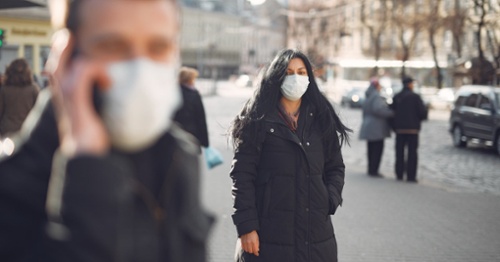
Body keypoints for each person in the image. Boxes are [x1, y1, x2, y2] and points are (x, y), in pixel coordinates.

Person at [0, 0, 212, 261]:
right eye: (113, 46)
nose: (139, 69)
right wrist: (87, 168)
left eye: (158, 47)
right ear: (67, 57)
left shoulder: (180, 156)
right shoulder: (10, 187)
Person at [229, 49, 351, 262]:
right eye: (289, 72)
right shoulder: (256, 120)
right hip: (269, 235)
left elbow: (335, 167)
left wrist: (329, 199)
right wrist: (246, 226)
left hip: (317, 237)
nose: (296, 78)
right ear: (276, 77)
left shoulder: (321, 118)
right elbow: (242, 176)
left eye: (302, 72)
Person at [390, 76, 428, 182]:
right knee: (412, 154)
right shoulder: (416, 97)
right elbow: (422, 113)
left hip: (400, 130)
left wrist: (395, 126)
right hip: (413, 130)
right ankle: (411, 176)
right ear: (410, 84)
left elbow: (391, 113)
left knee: (399, 153)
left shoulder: (397, 97)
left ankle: (399, 174)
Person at [359, 77, 393, 177]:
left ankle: (371, 169)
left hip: (368, 125)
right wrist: (391, 113)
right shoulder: (376, 96)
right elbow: (378, 110)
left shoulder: (368, 96)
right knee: (377, 149)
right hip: (376, 128)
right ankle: (374, 170)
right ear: (376, 86)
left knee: (371, 149)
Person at [0, 58, 40, 137]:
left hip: (7, 131)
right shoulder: (33, 89)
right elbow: (39, 112)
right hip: (27, 131)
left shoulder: (4, 90)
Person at [174, 67, 209, 152]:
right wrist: (205, 143)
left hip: (174, 135)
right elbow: (201, 118)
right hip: (192, 136)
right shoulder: (194, 95)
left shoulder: (172, 93)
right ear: (189, 80)